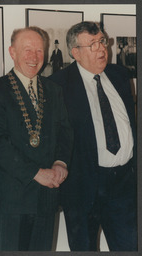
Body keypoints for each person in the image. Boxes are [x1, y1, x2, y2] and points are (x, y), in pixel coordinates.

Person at [0, 26, 73, 251]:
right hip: (11, 202)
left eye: (39, 51)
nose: (34, 57)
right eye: (27, 50)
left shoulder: (53, 90)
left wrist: (61, 162)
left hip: (46, 199)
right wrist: (36, 173)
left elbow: (65, 131)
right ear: (12, 52)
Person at [49, 21, 137, 251]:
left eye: (102, 41)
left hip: (124, 184)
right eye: (93, 45)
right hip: (82, 188)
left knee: (130, 247)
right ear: (75, 53)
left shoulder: (119, 74)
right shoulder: (58, 85)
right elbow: (55, 137)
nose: (101, 49)